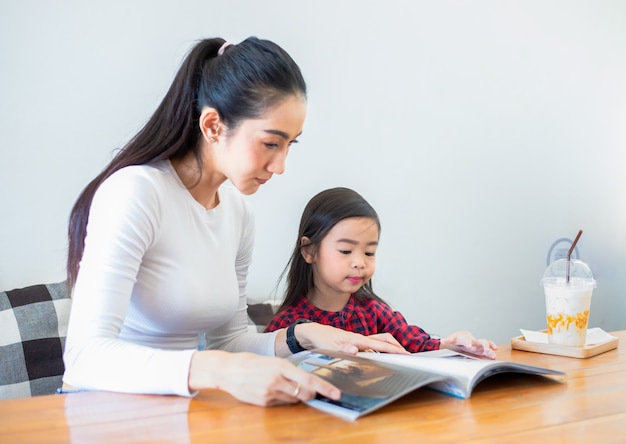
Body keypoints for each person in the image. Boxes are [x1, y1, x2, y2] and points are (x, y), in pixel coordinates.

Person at [62, 37, 407, 407]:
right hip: (104, 410)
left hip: (182, 410)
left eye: (291, 144)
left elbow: (229, 341)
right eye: (271, 143)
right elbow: (85, 357)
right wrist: (220, 371)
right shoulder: (136, 193)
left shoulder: (238, 212)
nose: (281, 166)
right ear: (212, 125)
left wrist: (306, 335)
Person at [265, 187, 497, 359]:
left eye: (369, 252)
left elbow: (418, 344)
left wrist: (454, 345)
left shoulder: (374, 312)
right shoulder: (288, 327)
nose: (359, 262)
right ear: (309, 251)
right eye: (346, 250)